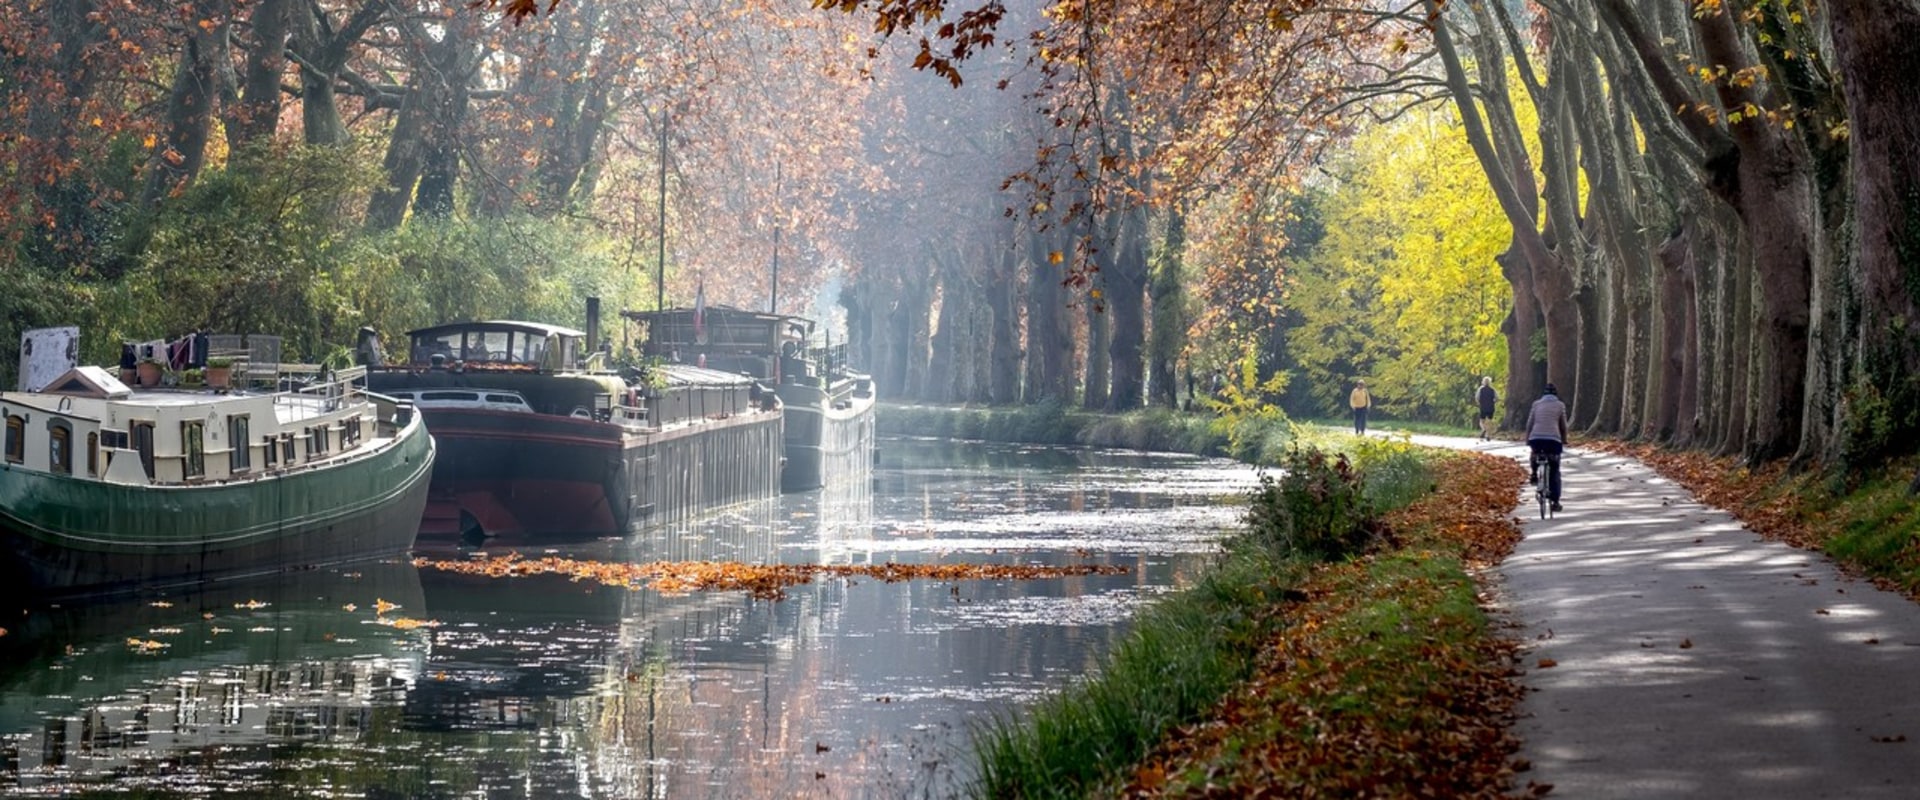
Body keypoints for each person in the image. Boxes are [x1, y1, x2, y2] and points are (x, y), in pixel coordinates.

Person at [1527, 383, 1569, 512]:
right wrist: (1564, 439)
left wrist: (1527, 438)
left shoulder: (1536, 404)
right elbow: (1563, 426)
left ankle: (1534, 473)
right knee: (1555, 469)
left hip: (1536, 438)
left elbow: (1530, 423)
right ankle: (1555, 501)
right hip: (1553, 440)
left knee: (1535, 453)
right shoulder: (1560, 405)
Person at [1476, 376, 1498, 441]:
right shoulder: (1492, 390)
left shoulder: (1480, 389)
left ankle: (1484, 429)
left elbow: (1477, 397)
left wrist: (1479, 403)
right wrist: (1493, 402)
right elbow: (1496, 398)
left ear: (1483, 382)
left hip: (1483, 407)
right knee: (1489, 421)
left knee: (1481, 421)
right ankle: (1488, 435)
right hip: (1491, 407)